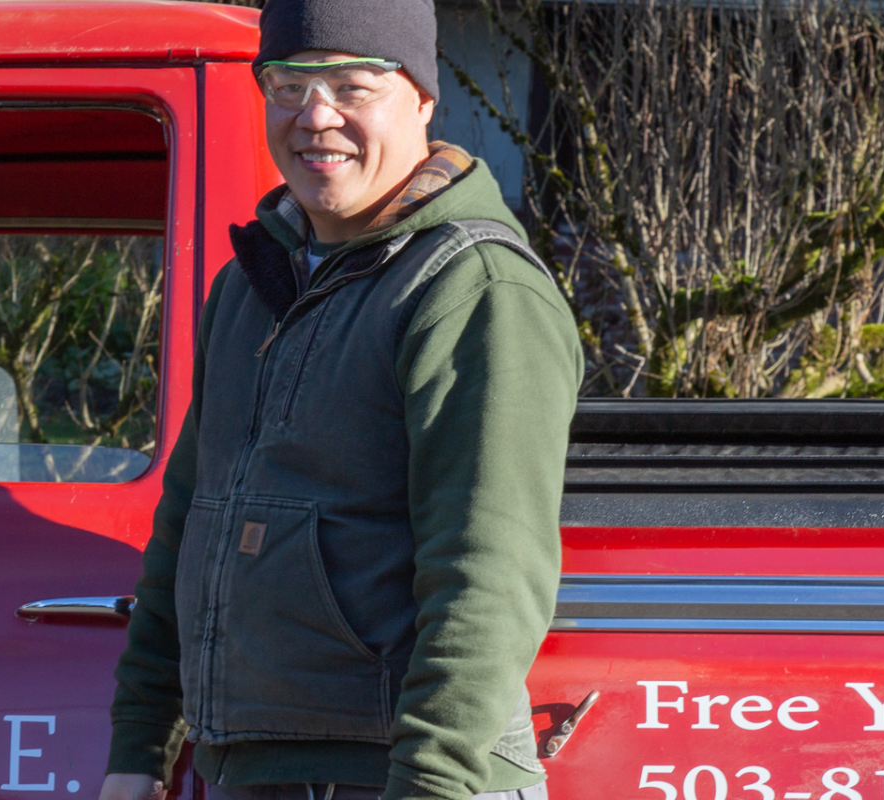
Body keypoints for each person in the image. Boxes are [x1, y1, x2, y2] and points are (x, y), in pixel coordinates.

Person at [99, 0, 582, 797]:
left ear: (423, 99)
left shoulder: (473, 289)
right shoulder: (250, 285)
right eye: (287, 86)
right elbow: (190, 521)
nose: (315, 117)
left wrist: (428, 785)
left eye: (353, 87)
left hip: (395, 778)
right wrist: (140, 746)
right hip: (258, 772)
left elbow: (488, 579)